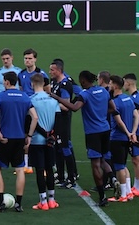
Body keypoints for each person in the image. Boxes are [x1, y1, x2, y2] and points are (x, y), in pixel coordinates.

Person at [54, 70, 113, 207]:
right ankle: (112, 177)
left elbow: (74, 108)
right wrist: (100, 114)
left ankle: (102, 197)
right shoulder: (103, 91)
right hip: (105, 129)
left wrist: (56, 97)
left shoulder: (84, 94)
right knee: (103, 158)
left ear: (83, 81)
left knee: (96, 164)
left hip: (93, 133)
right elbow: (113, 108)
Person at [0, 71, 34, 212]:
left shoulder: (1, 96)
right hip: (19, 138)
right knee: (19, 169)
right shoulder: (24, 97)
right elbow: (35, 117)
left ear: (6, 82)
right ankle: (19, 204)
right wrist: (29, 135)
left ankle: (0, 202)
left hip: (5, 138)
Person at [28, 75, 62, 210]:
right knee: (49, 169)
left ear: (32, 84)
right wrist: (52, 135)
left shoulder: (31, 100)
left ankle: (43, 201)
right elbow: (59, 121)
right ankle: (52, 200)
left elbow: (32, 121)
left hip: (37, 140)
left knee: (39, 170)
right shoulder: (53, 101)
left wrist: (44, 134)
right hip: (51, 141)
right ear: (43, 84)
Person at [48, 58, 79, 189]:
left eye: (52, 70)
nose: (50, 72)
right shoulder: (54, 82)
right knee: (57, 147)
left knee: (65, 148)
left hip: (63, 120)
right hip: (56, 119)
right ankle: (60, 176)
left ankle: (71, 178)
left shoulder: (66, 85)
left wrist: (51, 103)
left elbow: (66, 106)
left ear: (59, 71)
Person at [107, 75, 138, 203]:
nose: (108, 86)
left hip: (117, 138)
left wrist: (127, 132)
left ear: (114, 86)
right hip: (127, 138)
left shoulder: (115, 102)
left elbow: (118, 121)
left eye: (109, 84)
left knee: (119, 166)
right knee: (124, 165)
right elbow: (136, 115)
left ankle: (123, 195)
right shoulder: (128, 99)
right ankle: (129, 192)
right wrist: (133, 132)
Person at [123, 72, 139, 197]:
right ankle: (137, 186)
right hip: (135, 132)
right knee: (135, 159)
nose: (123, 85)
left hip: (136, 132)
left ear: (129, 83)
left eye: (124, 82)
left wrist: (133, 133)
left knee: (137, 159)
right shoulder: (136, 96)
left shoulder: (136, 98)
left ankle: (138, 188)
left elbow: (135, 116)